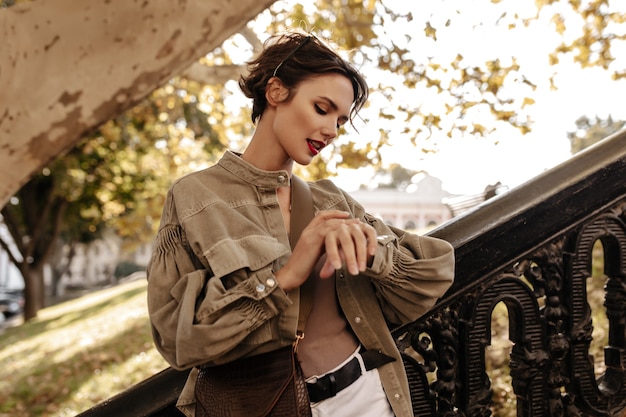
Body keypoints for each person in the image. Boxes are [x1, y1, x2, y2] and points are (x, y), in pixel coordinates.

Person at [147, 30, 455, 417]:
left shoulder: (331, 200)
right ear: (276, 92)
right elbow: (179, 340)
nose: (332, 130)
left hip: (371, 397)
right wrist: (285, 277)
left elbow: (433, 274)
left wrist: (373, 249)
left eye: (340, 120)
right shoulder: (195, 199)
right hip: (270, 407)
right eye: (322, 109)